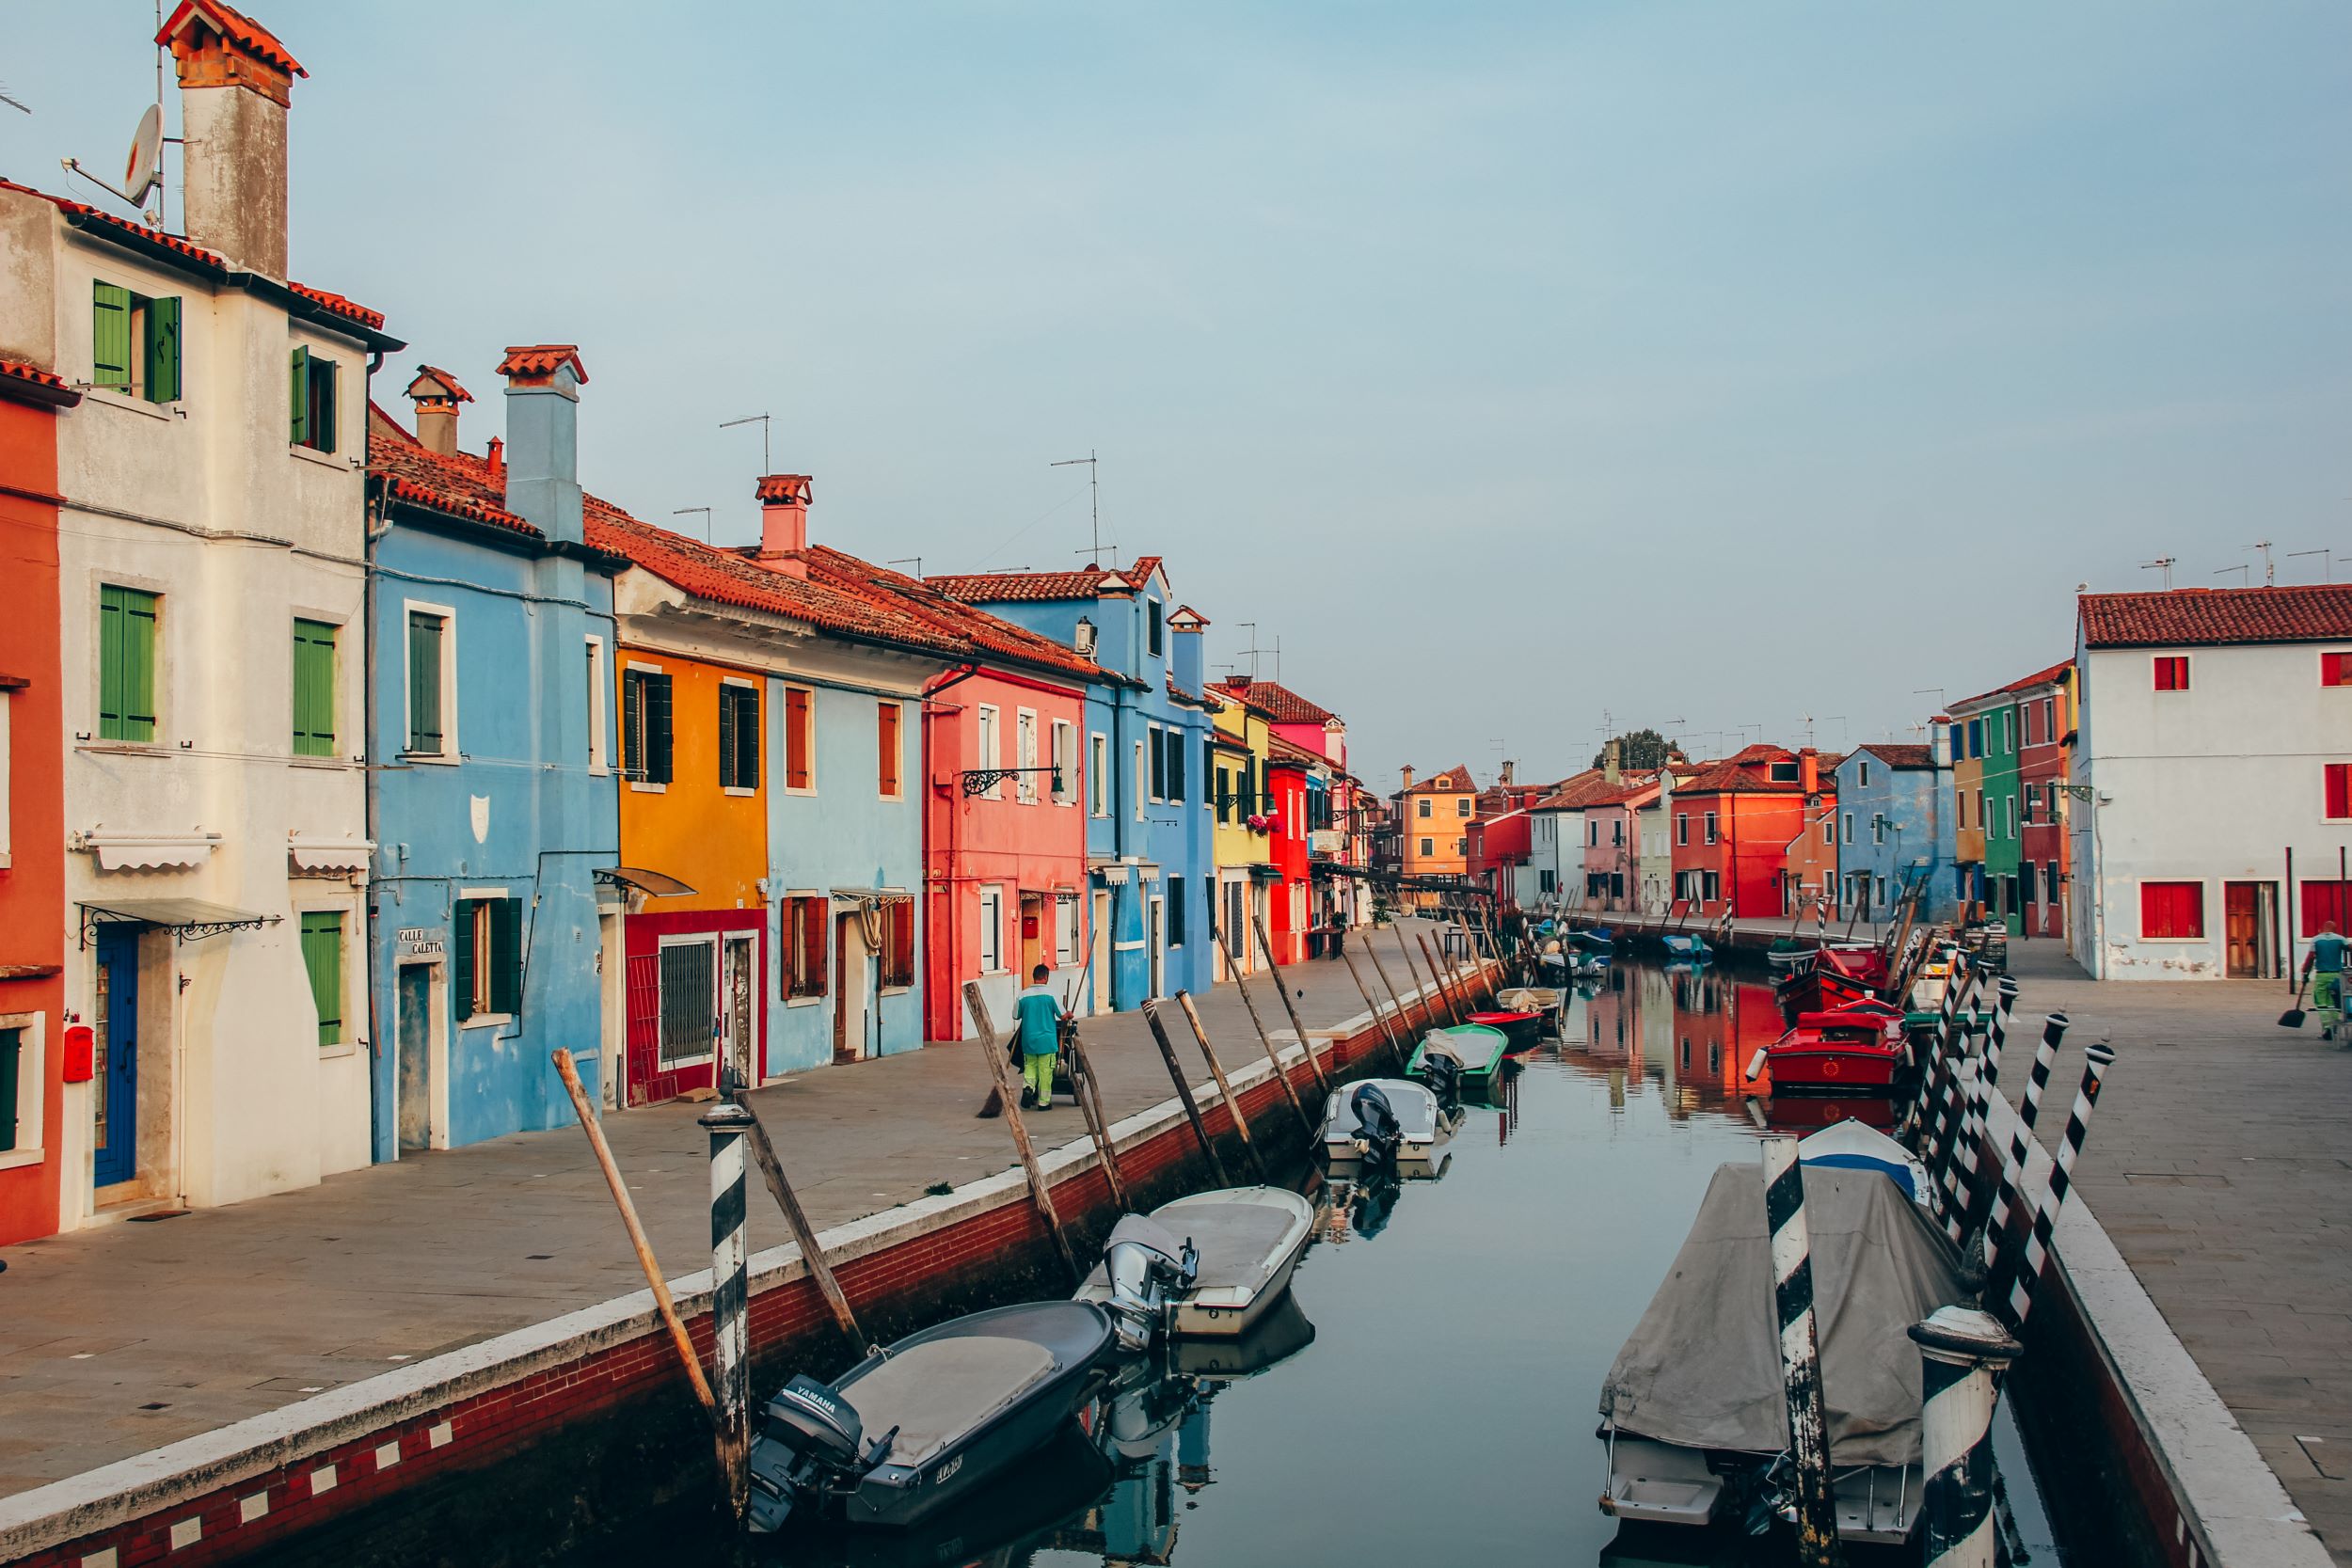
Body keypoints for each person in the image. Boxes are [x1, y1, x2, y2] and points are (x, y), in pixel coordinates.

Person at [1013, 963, 1064, 1108]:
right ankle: (1043, 1102)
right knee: (1045, 1072)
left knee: (1030, 1067)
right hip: (1047, 1041)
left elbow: (1015, 1015)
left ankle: (1028, 1087)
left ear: (1034, 977)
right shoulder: (1051, 994)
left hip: (1028, 1040)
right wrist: (1069, 1014)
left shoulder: (1023, 995)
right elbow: (1062, 1015)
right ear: (1046, 977)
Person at [2304, 920, 2347, 1040]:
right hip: (2337, 975)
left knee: (2321, 1002)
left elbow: (2311, 957)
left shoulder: (2316, 939)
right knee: (2334, 1001)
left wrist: (2305, 972)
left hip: (2322, 975)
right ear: (2335, 929)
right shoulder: (2341, 939)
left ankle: (2327, 1027)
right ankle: (2335, 1025)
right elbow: (2349, 948)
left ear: (2322, 928)